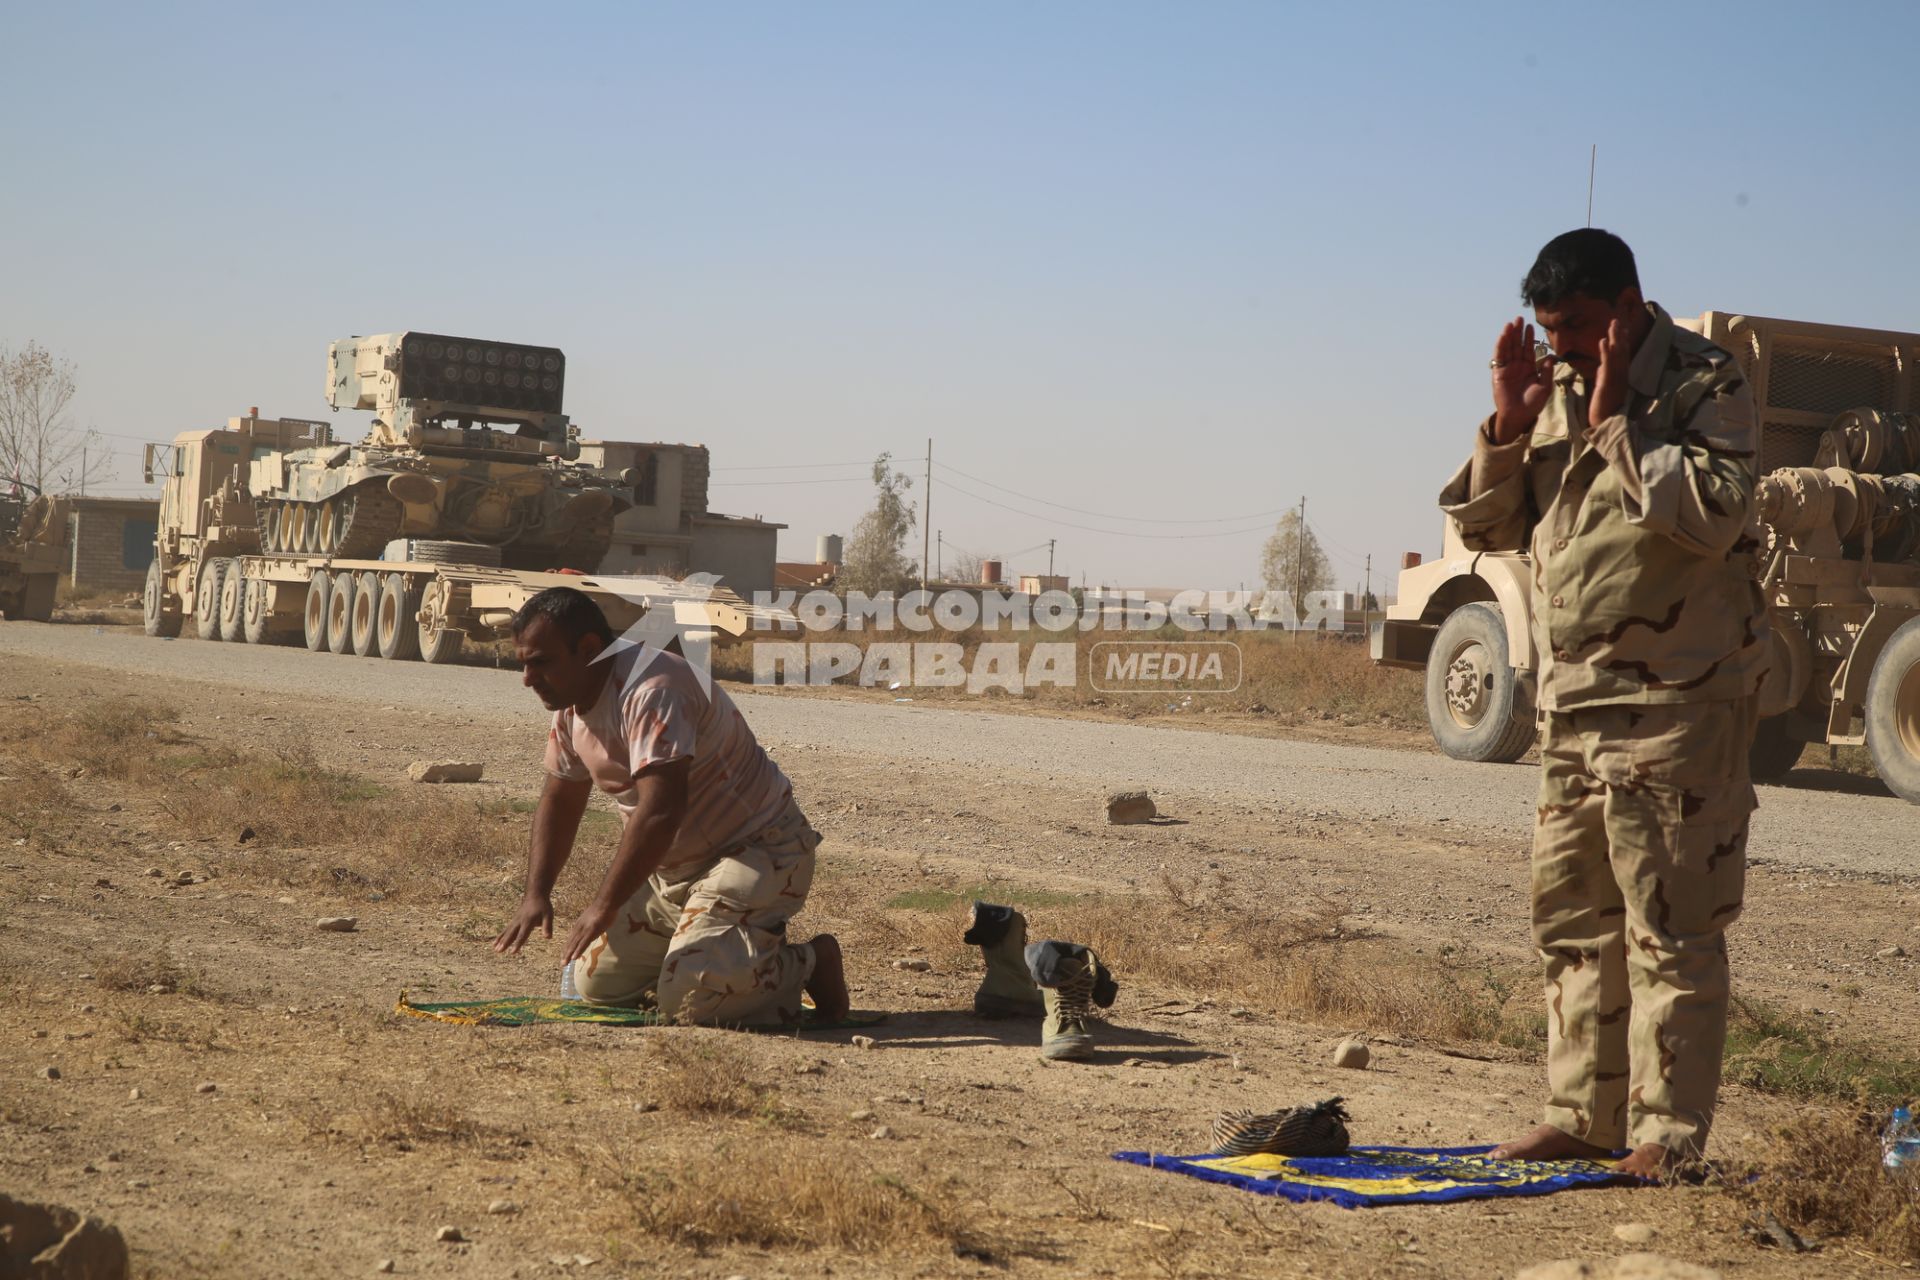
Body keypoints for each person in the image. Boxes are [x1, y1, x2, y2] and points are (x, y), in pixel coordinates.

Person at [1439, 229, 1767, 1178]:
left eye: (1578, 329)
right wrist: (1508, 424)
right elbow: (1491, 526)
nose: (1564, 350)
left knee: (1672, 925)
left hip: (1680, 704)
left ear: (1627, 306)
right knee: (1574, 922)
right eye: (1551, 334)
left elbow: (1714, 514)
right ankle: (1582, 1115)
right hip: (1574, 701)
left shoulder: (1706, 384)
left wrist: (1622, 419)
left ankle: (1668, 1137)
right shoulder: (1562, 393)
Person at [492, 586, 848, 1025]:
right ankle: (709, 954)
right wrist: (536, 893)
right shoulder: (572, 702)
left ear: (587, 648)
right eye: (523, 663)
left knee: (692, 1001)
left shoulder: (652, 689)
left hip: (758, 851)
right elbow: (561, 796)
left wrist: (603, 906)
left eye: (539, 662)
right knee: (597, 987)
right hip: (673, 874)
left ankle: (809, 962)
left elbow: (661, 811)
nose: (527, 678)